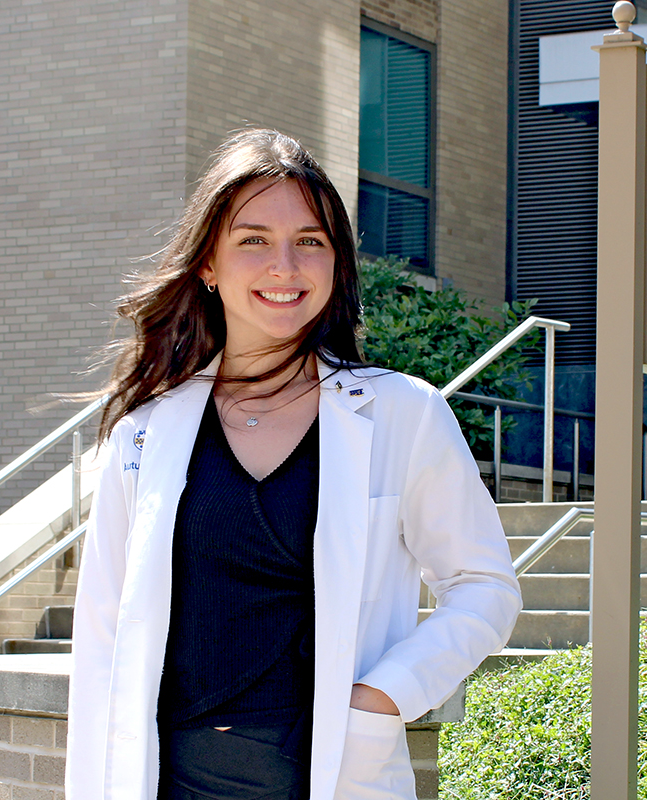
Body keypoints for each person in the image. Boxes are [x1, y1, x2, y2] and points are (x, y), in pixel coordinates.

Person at [65, 128, 522, 800]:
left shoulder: (401, 414)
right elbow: (100, 645)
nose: (285, 265)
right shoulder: (144, 436)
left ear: (335, 262)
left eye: (310, 240)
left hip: (333, 775)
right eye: (253, 240)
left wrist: (385, 696)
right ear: (208, 265)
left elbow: (486, 585)